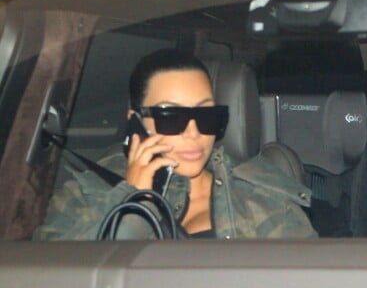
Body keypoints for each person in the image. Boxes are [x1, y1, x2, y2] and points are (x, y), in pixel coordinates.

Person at [34, 49, 317, 240]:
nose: (193, 132)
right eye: (171, 117)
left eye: (206, 116)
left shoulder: (263, 200)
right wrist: (130, 197)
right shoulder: (86, 192)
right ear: (136, 121)